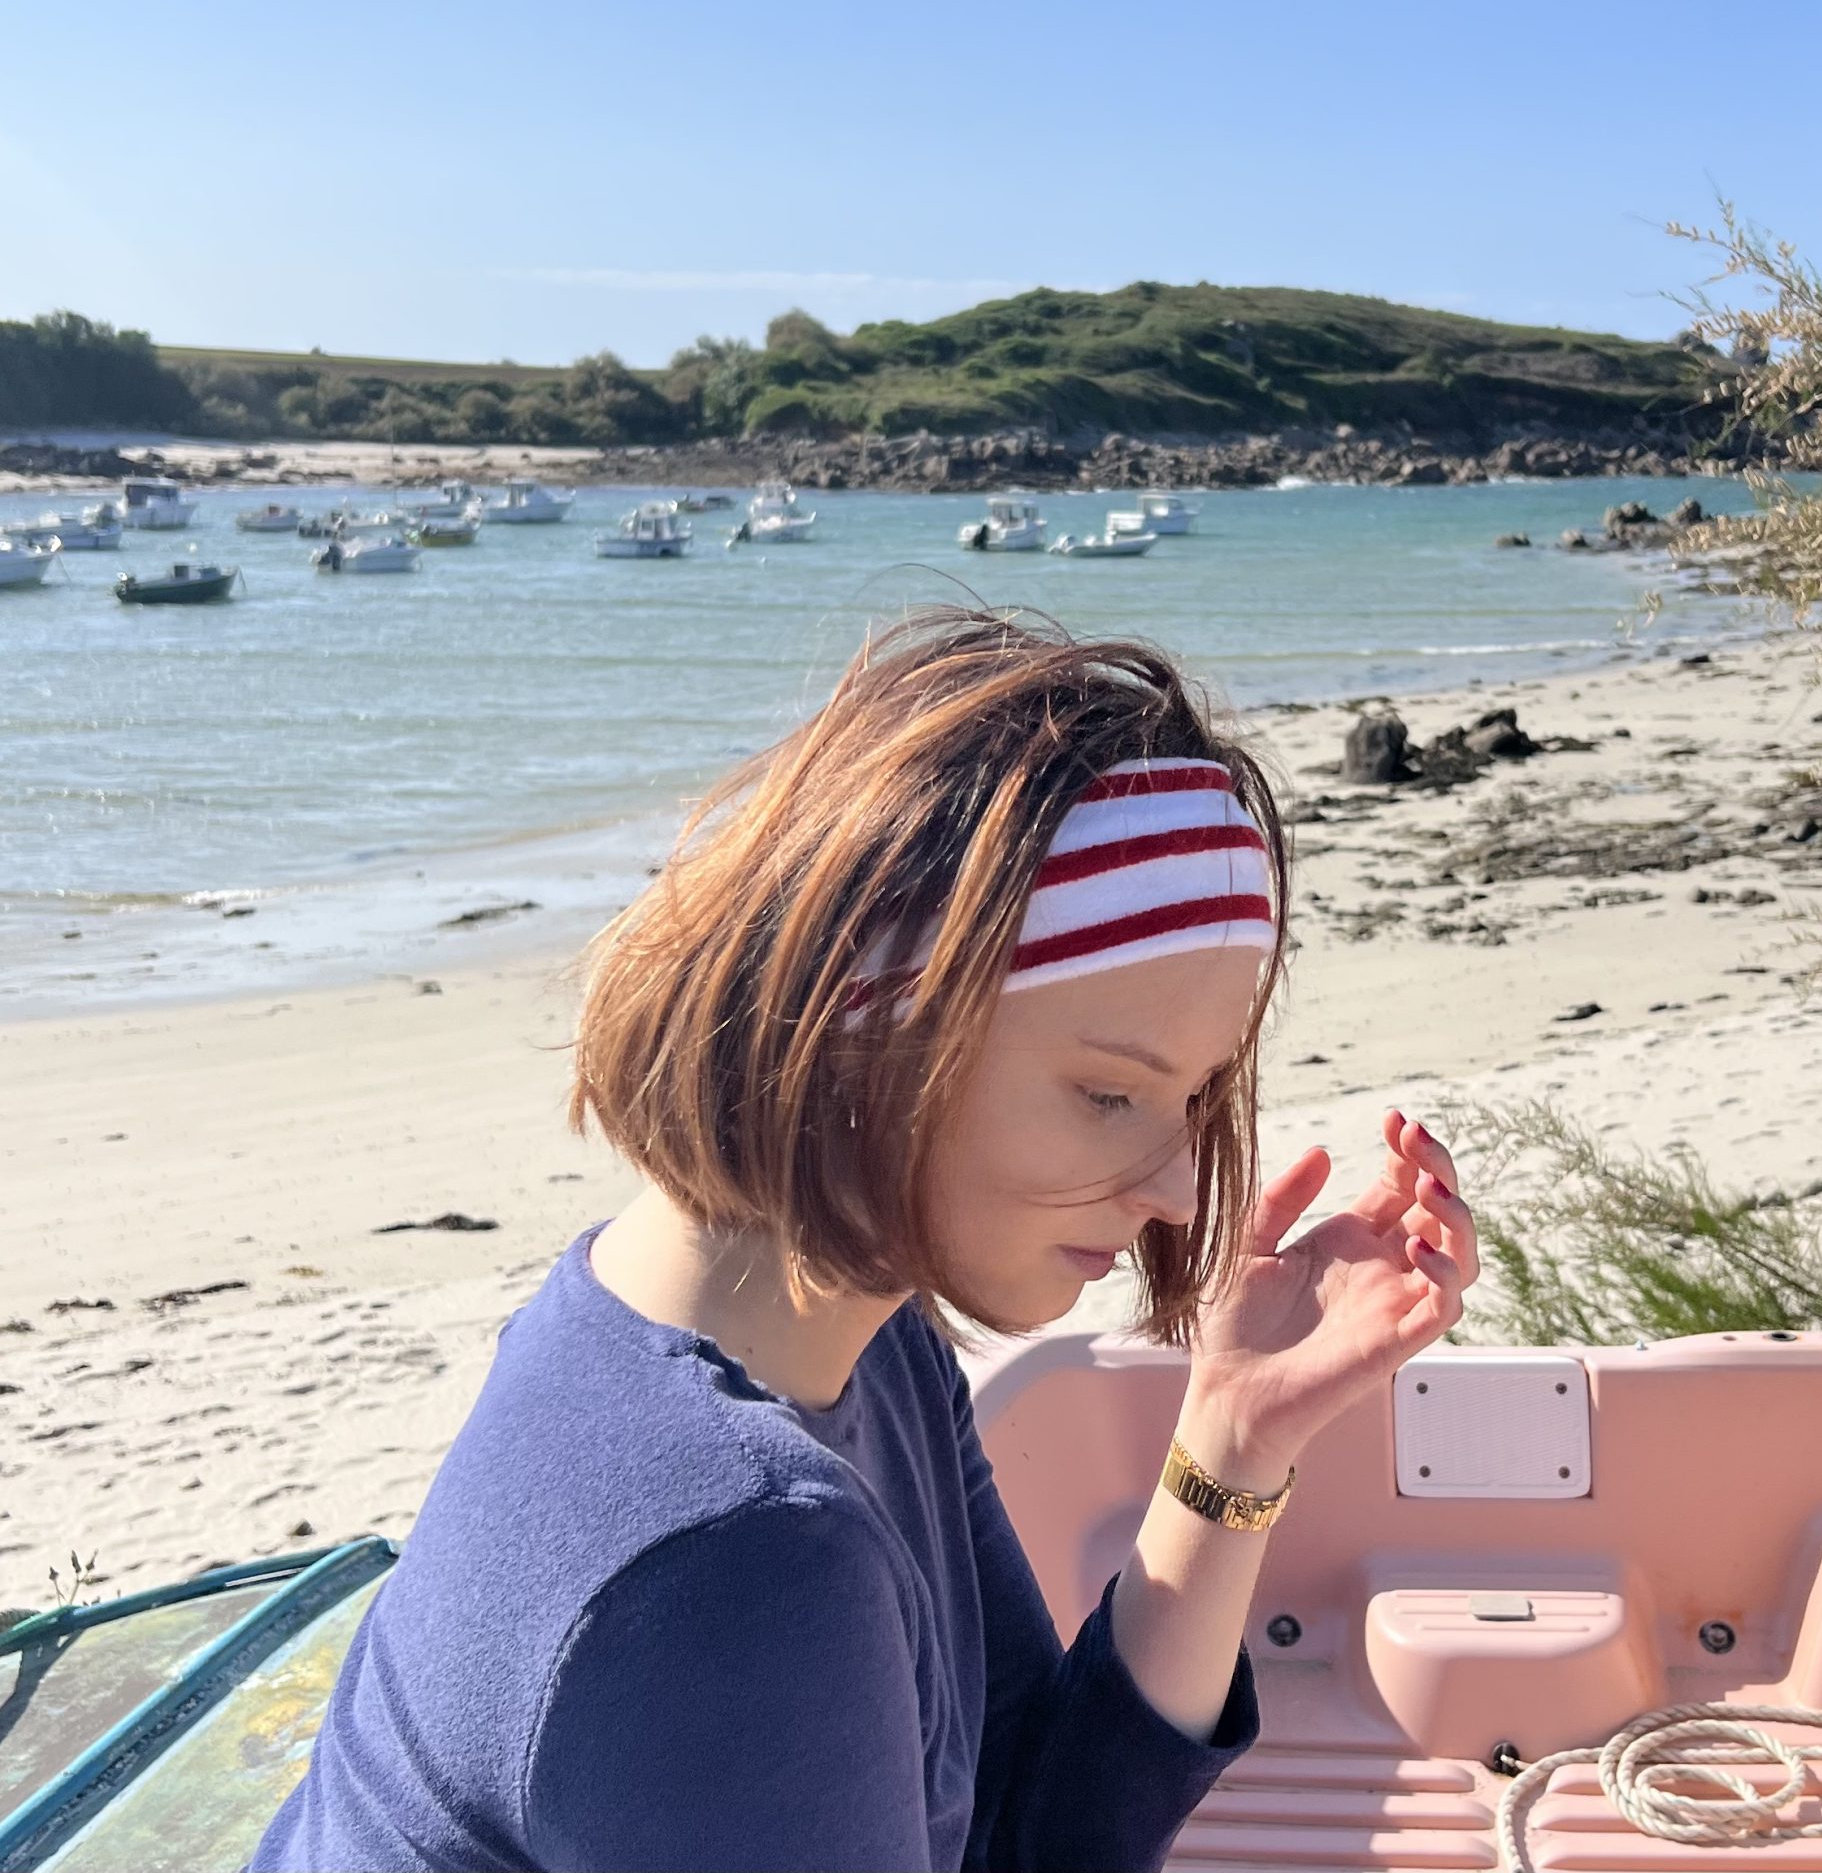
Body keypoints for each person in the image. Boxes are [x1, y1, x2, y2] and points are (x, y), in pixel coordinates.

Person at [253, 608, 1479, 1873]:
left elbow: (1030, 1824)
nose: (1175, 1184)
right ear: (860, 1029)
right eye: (1108, 1093)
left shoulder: (838, 1339)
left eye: (1195, 1098)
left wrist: (1235, 1432)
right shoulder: (741, 1559)